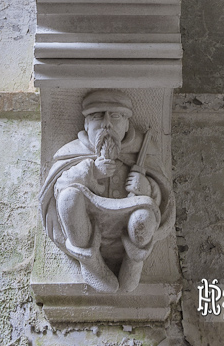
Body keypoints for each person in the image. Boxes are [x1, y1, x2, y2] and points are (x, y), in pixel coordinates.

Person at [39, 90, 175, 293]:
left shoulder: (143, 151)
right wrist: (92, 171)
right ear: (85, 125)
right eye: (97, 116)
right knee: (68, 197)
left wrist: (147, 187)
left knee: (145, 216)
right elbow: (57, 187)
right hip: (90, 224)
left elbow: (164, 199)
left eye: (116, 116)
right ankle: (91, 264)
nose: (106, 124)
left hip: (127, 224)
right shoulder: (72, 152)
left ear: (127, 125)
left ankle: (133, 264)